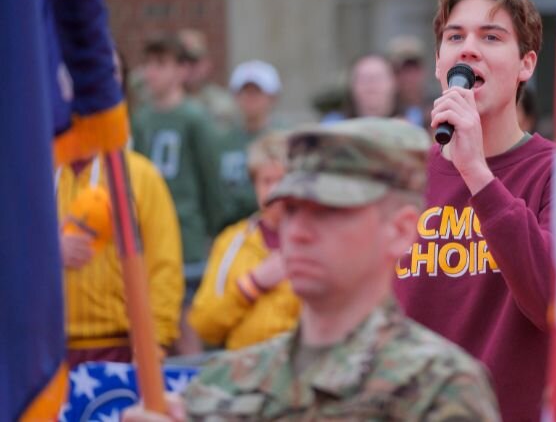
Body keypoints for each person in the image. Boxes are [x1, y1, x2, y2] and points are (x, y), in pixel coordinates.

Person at [123, 117, 500, 421]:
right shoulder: (224, 382)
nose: (298, 232)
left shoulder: (438, 387)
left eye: (329, 212)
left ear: (400, 231)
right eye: (290, 210)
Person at [393, 0, 555, 422]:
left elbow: (551, 301)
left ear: (526, 64)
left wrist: (476, 173)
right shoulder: (399, 178)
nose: (468, 48)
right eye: (454, 36)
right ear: (439, 63)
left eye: (491, 36)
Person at [131, 34, 227, 354]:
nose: (153, 73)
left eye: (162, 65)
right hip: (149, 235)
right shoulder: (141, 118)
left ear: (181, 71)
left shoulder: (195, 118)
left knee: (186, 325)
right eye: (149, 65)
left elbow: (210, 179)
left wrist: (213, 229)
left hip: (187, 234)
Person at [57, 151, 184, 367]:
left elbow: (164, 265)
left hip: (122, 347)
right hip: (44, 355)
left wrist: (153, 342)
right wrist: (46, 251)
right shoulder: (28, 174)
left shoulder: (139, 174)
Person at [189, 132, 301, 350]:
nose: (274, 191)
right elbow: (204, 326)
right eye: (266, 181)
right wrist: (251, 286)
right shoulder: (232, 241)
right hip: (242, 373)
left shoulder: (315, 239)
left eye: (282, 180)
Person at [218, 59, 283, 225]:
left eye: (257, 92)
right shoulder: (222, 141)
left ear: (272, 97)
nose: (250, 98)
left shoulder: (283, 139)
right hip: (230, 227)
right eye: (244, 92)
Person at [178, 28, 240, 131]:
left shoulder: (222, 104)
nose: (187, 67)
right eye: (181, 61)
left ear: (206, 64)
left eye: (193, 61)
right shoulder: (156, 103)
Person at [321, 54, 399, 122]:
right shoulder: (334, 127)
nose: (371, 85)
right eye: (363, 79)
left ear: (393, 83)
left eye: (378, 78)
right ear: (351, 86)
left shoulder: (409, 123)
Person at [387, 35, 438, 129]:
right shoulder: (385, 109)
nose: (409, 77)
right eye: (403, 71)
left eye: (414, 69)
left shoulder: (437, 105)